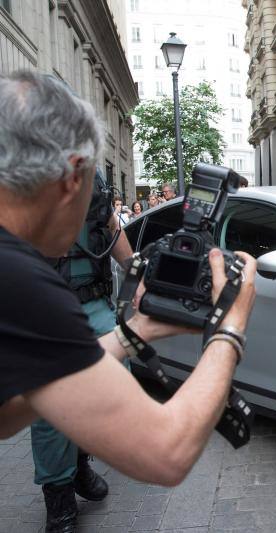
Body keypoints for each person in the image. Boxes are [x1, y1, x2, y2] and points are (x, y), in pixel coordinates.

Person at [0, 69, 257, 513]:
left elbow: (6, 413)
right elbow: (165, 451)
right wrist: (229, 328)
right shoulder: (21, 279)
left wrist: (131, 334)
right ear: (73, 176)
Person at [34, 169, 134, 532]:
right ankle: (58, 497)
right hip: (43, 309)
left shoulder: (91, 179)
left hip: (93, 305)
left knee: (115, 387)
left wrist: (134, 269)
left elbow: (110, 226)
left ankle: (78, 460)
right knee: (49, 408)